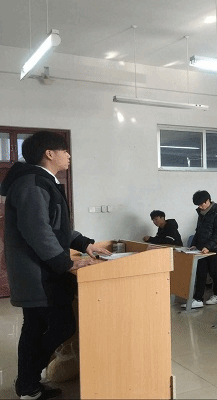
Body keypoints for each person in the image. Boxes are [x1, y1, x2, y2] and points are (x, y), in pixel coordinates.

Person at [0, 131, 111, 399]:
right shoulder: (32, 183)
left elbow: (56, 227)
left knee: (35, 328)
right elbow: (39, 232)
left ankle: (28, 386)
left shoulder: (41, 181)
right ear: (49, 154)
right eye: (64, 150)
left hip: (39, 272)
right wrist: (67, 264)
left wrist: (85, 243)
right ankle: (28, 380)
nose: (69, 155)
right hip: (38, 275)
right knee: (61, 326)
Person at [186, 190, 217, 309]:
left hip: (213, 249)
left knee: (215, 273)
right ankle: (198, 299)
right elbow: (198, 231)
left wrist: (208, 247)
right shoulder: (201, 212)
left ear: (208, 201)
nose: (200, 207)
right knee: (200, 273)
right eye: (198, 205)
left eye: (201, 204)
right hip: (201, 249)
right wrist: (194, 244)